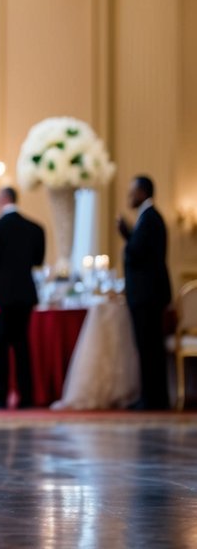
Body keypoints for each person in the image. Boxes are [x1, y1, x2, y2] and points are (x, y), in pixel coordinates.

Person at [0, 186, 45, 409]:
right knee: (22, 345)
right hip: (25, 296)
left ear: (3, 199)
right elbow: (38, 260)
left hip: (1, 297)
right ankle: (27, 397)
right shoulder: (35, 228)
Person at [117, 175, 172, 410]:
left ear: (143, 192)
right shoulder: (148, 218)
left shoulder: (150, 218)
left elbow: (138, 253)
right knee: (148, 347)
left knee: (149, 348)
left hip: (147, 296)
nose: (130, 196)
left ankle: (153, 399)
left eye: (133, 191)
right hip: (147, 295)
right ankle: (152, 397)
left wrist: (125, 234)